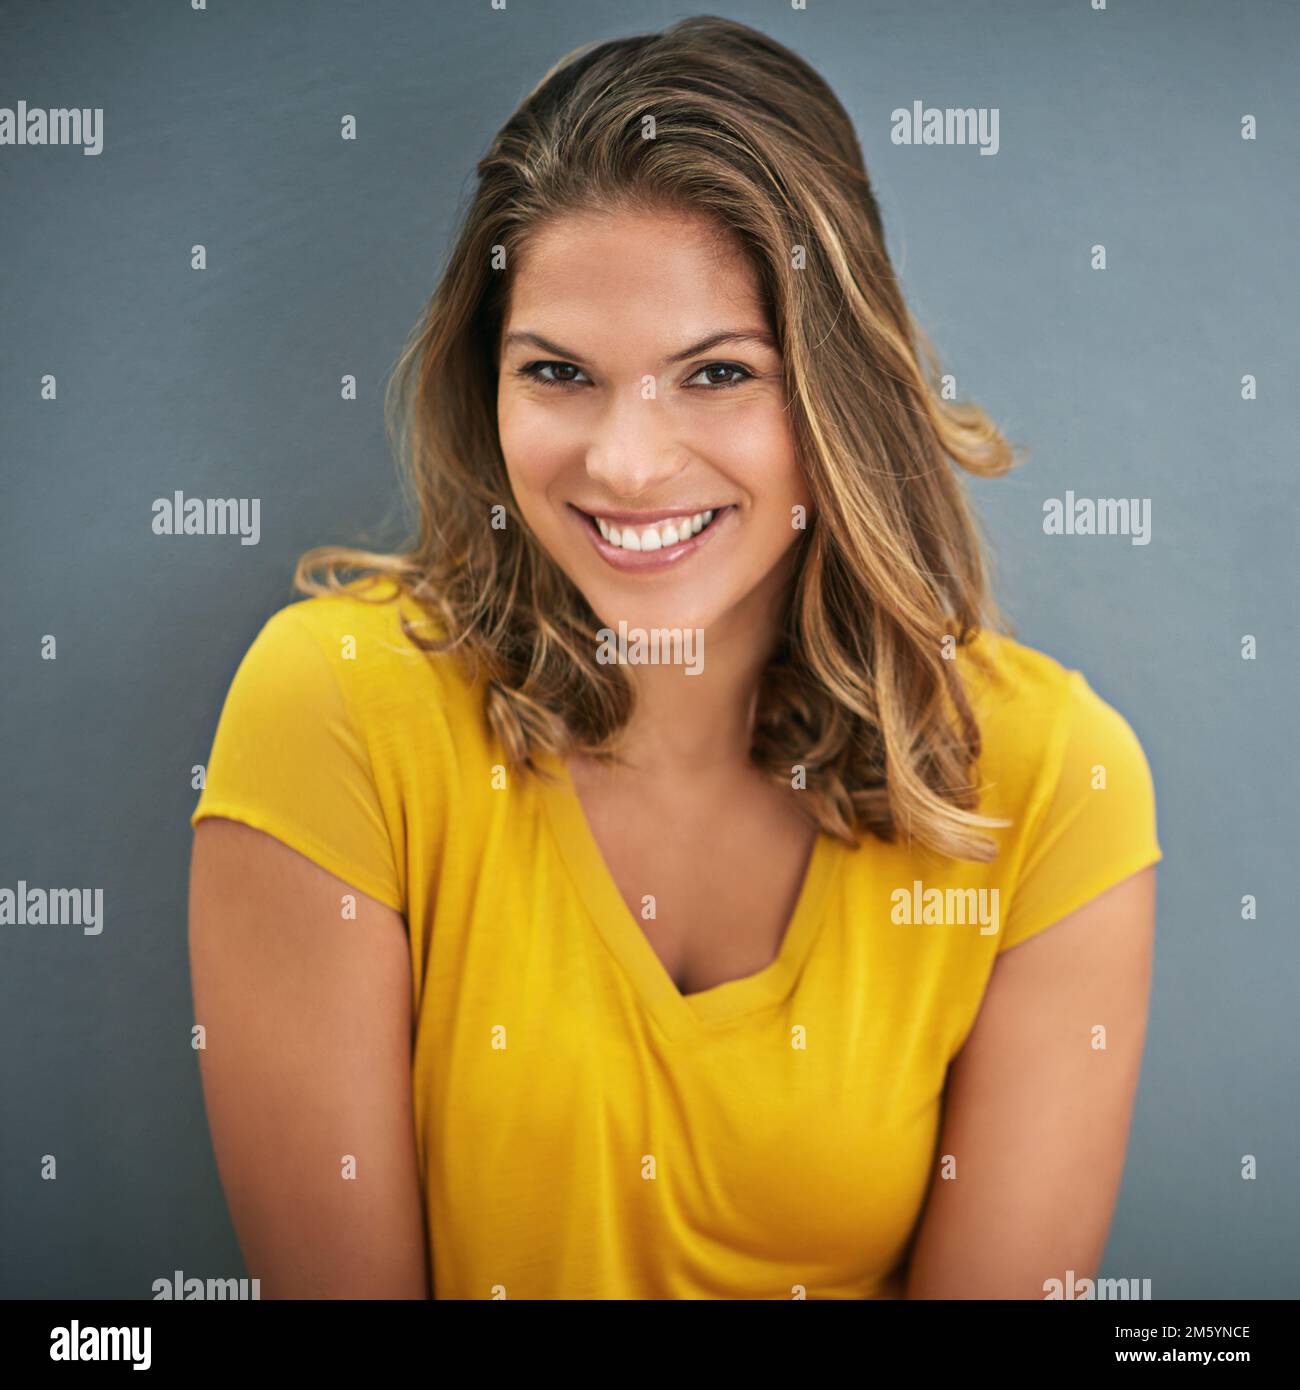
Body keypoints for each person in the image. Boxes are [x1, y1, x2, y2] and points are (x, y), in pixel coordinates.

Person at [188, 15, 1161, 1299]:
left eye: (714, 373)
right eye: (558, 372)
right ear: (489, 383)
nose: (626, 462)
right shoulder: (336, 710)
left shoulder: (1050, 782)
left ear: (837, 390)